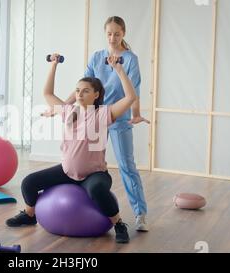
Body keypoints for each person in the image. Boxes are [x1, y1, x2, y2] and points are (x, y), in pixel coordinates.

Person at [5, 53, 138, 244]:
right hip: (67, 172)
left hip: (94, 174)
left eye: (85, 91)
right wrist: (53, 65)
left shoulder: (103, 114)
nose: (79, 94)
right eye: (77, 91)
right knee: (28, 183)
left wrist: (119, 69)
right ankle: (29, 214)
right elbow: (48, 94)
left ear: (96, 95)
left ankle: (118, 224)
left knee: (98, 191)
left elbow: (131, 97)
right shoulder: (68, 111)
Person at [43, 16, 150, 231]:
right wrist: (60, 108)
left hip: (117, 117)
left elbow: (133, 90)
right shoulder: (97, 57)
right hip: (92, 118)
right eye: (109, 33)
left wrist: (135, 113)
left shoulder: (130, 59)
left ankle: (140, 215)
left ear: (123, 34)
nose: (112, 37)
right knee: (80, 161)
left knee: (127, 166)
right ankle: (80, 202)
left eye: (117, 34)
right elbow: (83, 87)